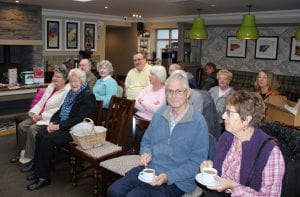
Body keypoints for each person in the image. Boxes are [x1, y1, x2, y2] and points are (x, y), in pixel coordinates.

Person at [107, 72, 209, 197]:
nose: (173, 95)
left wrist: (168, 176)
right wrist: (145, 152)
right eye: (169, 91)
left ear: (187, 93)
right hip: (150, 169)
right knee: (114, 191)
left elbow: (197, 162)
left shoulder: (198, 122)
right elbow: (146, 141)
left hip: (177, 180)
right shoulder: (160, 113)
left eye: (179, 91)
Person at [200, 90, 285, 196]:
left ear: (246, 119)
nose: (223, 116)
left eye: (229, 113)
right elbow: (225, 171)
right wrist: (211, 166)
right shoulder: (227, 137)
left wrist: (233, 186)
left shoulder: (270, 152)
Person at [27, 68, 97, 190]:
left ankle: (44, 178)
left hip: (76, 130)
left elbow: (79, 119)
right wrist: (52, 122)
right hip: (65, 125)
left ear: (82, 81)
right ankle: (38, 170)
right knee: (40, 134)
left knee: (48, 139)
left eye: (76, 81)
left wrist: (58, 126)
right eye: (71, 82)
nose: (73, 84)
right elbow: (60, 110)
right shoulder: (71, 93)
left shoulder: (87, 95)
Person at [9, 65, 70, 173]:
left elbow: (58, 110)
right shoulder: (51, 86)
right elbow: (41, 102)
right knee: (22, 126)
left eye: (58, 77)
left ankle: (32, 159)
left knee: (33, 129)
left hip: (51, 118)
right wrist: (34, 113)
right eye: (54, 76)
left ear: (65, 80)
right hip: (39, 115)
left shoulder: (67, 91)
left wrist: (42, 116)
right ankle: (20, 151)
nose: (55, 78)